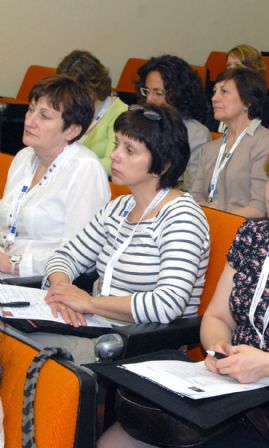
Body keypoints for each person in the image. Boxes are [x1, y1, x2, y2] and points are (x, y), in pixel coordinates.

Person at [97, 129, 269, 448]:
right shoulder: (253, 236)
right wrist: (220, 350)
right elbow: (218, 317)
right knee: (112, 443)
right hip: (230, 390)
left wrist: (268, 363)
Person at [35, 104, 210, 365]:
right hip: (96, 327)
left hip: (138, 346)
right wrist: (63, 291)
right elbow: (65, 256)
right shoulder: (119, 207)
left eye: (130, 150)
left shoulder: (182, 217)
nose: (114, 156)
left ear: (163, 165)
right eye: (117, 144)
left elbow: (167, 304)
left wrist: (89, 303)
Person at [0, 75, 109, 278]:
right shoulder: (24, 157)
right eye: (31, 109)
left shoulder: (85, 169)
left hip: (41, 281)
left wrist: (13, 265)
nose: (30, 121)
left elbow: (80, 254)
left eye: (45, 116)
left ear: (72, 130)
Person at [191, 68, 269, 218]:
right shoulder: (210, 148)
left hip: (242, 229)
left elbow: (260, 208)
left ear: (247, 102)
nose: (214, 98)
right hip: (208, 225)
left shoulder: (267, 144)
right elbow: (195, 198)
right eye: (215, 91)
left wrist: (217, 217)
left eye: (224, 92)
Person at [137, 55, 211, 191]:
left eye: (158, 93)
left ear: (179, 95)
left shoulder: (196, 134)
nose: (149, 99)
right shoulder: (141, 120)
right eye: (147, 91)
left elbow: (193, 189)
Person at [56, 50, 128, 175]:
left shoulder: (120, 113)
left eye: (75, 91)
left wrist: (70, 169)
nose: (69, 97)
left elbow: (112, 163)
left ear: (93, 87)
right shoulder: (69, 107)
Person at [216, 45, 269, 129]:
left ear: (253, 69)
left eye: (238, 65)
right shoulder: (219, 95)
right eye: (229, 65)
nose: (231, 70)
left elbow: (254, 131)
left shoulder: (263, 102)